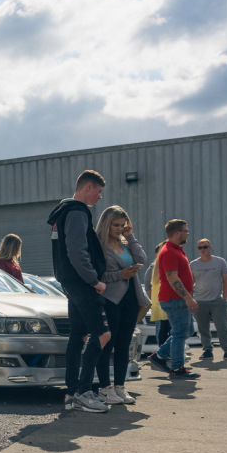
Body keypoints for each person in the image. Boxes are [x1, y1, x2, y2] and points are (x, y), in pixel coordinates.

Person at [47, 170, 110, 413]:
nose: (100, 197)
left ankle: (72, 393)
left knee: (78, 335)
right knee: (103, 333)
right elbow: (77, 251)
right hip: (81, 282)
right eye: (98, 191)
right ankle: (84, 392)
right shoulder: (76, 212)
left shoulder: (62, 211)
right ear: (87, 187)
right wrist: (94, 280)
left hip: (69, 281)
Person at [94, 206, 148, 405]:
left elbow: (142, 259)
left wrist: (131, 237)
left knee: (124, 345)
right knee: (107, 344)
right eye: (115, 225)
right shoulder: (98, 245)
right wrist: (119, 275)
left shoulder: (125, 243)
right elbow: (96, 276)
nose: (119, 228)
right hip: (110, 299)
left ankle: (120, 387)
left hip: (130, 299)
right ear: (106, 224)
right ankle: (105, 388)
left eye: (122, 225)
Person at [149, 219, 200, 379]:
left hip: (178, 298)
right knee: (180, 332)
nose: (187, 233)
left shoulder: (175, 249)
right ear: (177, 232)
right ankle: (177, 368)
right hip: (175, 298)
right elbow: (172, 277)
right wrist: (187, 297)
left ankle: (160, 356)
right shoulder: (169, 251)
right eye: (186, 231)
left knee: (187, 331)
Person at [189, 238, 227, 361]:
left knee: (222, 326)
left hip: (217, 300)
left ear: (210, 247)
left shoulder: (219, 261)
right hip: (199, 301)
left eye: (205, 247)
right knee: (203, 327)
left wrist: (224, 297)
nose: (203, 250)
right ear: (198, 249)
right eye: (200, 248)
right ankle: (207, 350)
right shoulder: (193, 264)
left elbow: (226, 280)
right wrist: (190, 299)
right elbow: (190, 282)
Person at [147, 242, 170, 351]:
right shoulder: (152, 269)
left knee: (172, 329)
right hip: (161, 303)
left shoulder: (170, 263)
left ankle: (167, 351)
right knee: (162, 329)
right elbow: (148, 287)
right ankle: (163, 352)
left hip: (171, 301)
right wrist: (153, 302)